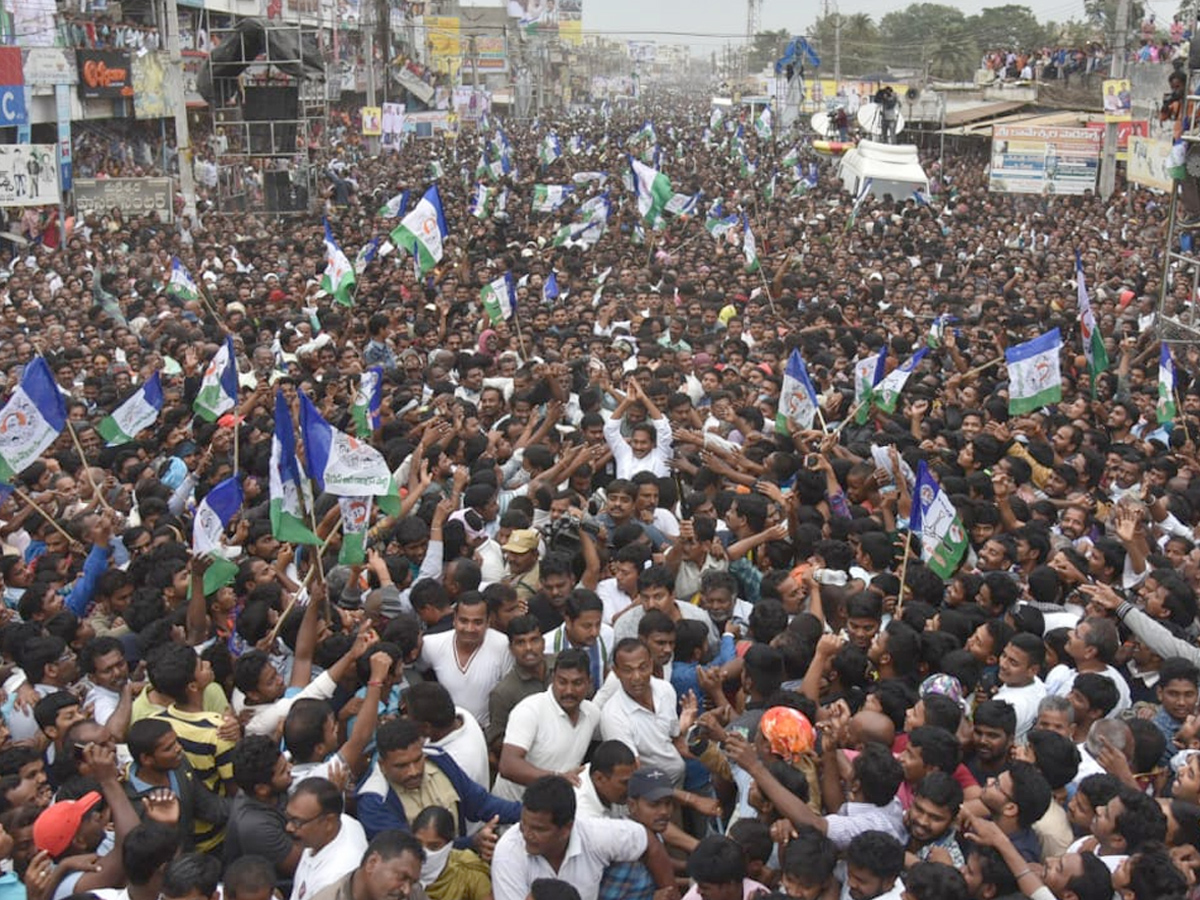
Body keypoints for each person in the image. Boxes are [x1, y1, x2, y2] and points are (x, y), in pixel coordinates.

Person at [491, 775, 676, 900]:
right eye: (524, 824)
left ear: (566, 828)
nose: (527, 834)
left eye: (539, 829)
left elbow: (648, 841)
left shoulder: (594, 833)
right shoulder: (508, 854)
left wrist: (669, 891)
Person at [357, 718, 520, 848]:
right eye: (402, 766)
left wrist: (526, 813)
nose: (413, 771)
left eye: (417, 760)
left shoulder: (439, 759)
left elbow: (480, 803)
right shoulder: (373, 800)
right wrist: (471, 843)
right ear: (381, 765)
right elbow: (410, 850)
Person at [286, 777, 368, 900]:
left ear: (328, 822)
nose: (289, 827)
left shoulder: (334, 879)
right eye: (288, 817)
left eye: (297, 821)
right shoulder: (344, 822)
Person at [309, 829, 430, 900]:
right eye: (402, 877)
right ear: (372, 863)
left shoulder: (412, 893)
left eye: (412, 882)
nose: (407, 890)